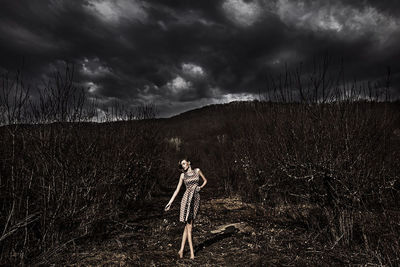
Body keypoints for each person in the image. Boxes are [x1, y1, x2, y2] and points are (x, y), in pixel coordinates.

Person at [164, 158, 207, 259]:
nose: (183, 166)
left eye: (184, 163)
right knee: (190, 227)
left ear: (189, 163)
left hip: (196, 199)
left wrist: (200, 187)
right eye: (182, 165)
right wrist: (170, 203)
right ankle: (192, 253)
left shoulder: (197, 171)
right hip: (186, 200)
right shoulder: (183, 175)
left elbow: (205, 180)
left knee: (187, 227)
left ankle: (181, 250)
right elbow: (177, 190)